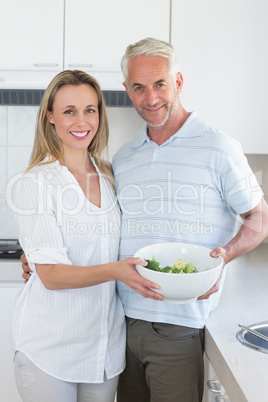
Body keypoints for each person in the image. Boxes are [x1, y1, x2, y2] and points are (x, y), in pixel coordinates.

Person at [110, 38, 268, 402]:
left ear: (178, 82)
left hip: (178, 324)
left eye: (160, 84)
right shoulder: (124, 157)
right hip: (118, 322)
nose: (150, 98)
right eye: (139, 88)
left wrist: (223, 256)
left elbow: (259, 217)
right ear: (127, 91)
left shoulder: (218, 147)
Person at [10, 69, 162, 402]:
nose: (82, 121)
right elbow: (49, 275)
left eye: (89, 110)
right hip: (50, 350)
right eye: (69, 111)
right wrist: (114, 270)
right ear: (50, 116)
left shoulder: (109, 176)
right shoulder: (36, 183)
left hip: (103, 350)